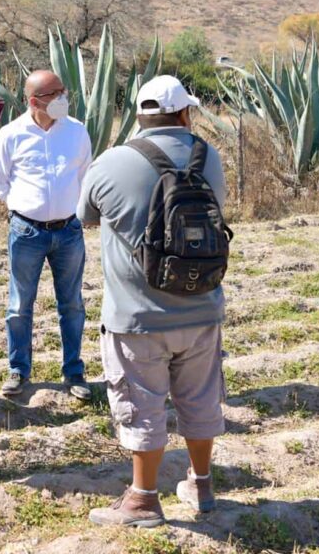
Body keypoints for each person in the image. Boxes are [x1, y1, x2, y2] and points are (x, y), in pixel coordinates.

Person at [78, 76, 228, 527]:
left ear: (139, 117)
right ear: (185, 113)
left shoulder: (111, 163)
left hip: (137, 314)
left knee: (142, 404)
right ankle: (200, 485)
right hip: (202, 305)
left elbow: (85, 216)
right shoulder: (209, 156)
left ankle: (143, 499)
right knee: (200, 400)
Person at [0, 70, 93, 400]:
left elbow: (85, 174)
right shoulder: (11, 134)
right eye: (56, 93)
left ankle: (74, 372)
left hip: (69, 231)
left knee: (73, 304)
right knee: (20, 305)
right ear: (34, 101)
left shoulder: (77, 131)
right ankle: (18, 370)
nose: (64, 98)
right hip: (26, 231)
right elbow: (0, 181)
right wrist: (23, 208)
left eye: (64, 90)